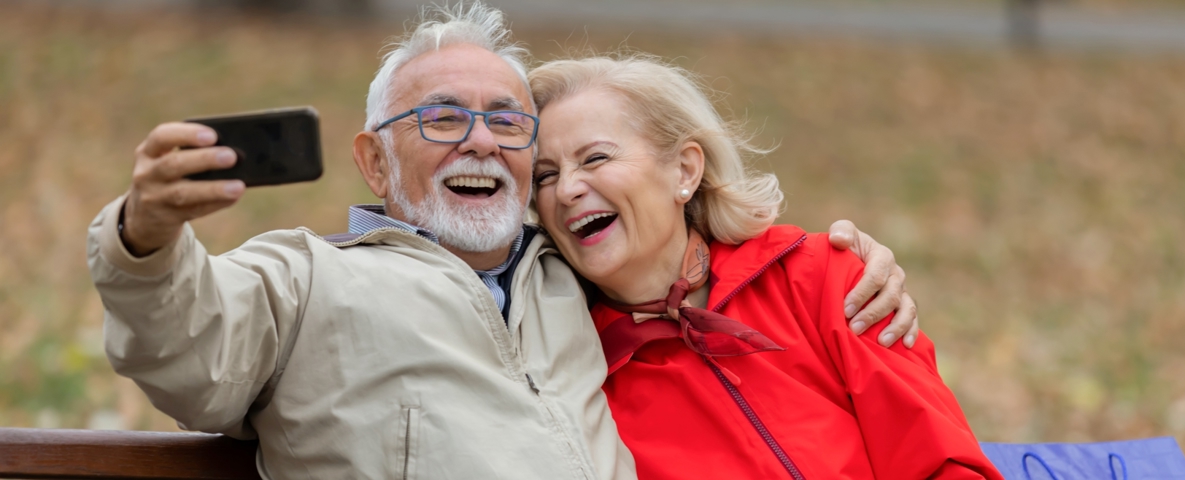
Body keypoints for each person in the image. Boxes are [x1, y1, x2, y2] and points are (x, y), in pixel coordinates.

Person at [86, 3, 920, 479]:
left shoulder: (571, 275)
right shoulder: (302, 278)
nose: (479, 140)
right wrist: (147, 237)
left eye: (506, 121)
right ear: (375, 162)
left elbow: (675, 243)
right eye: (442, 117)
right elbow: (185, 345)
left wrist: (842, 257)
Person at [529, 55, 1002, 479]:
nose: (567, 189)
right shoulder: (572, 374)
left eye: (596, 158)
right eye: (545, 175)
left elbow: (942, 461)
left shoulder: (822, 277)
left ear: (684, 171)